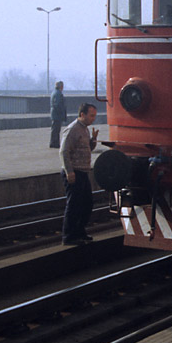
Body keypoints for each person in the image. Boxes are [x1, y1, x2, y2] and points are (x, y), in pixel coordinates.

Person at [59, 103, 99, 245]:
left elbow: (88, 147)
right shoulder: (72, 129)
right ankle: (68, 236)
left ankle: (80, 232)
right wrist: (69, 171)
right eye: (91, 115)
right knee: (74, 205)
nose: (93, 118)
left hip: (83, 171)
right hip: (74, 172)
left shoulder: (85, 129)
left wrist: (93, 140)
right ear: (82, 114)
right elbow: (64, 151)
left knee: (86, 204)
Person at [49, 81, 67, 148]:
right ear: (61, 86)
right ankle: (54, 143)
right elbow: (58, 104)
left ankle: (54, 143)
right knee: (56, 130)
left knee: (55, 129)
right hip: (57, 115)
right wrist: (61, 113)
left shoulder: (54, 93)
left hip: (54, 114)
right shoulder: (58, 94)